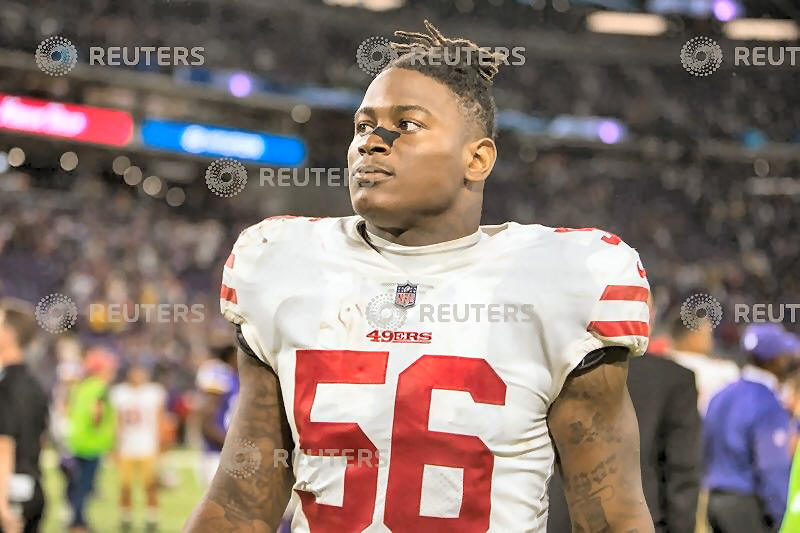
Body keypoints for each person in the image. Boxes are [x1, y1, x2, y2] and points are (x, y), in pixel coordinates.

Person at [185, 20, 654, 532]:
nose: (372, 142)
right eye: (363, 126)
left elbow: (609, 514)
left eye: (406, 124)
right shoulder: (284, 263)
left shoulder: (565, 279)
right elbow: (241, 503)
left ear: (477, 158)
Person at [548, 297, 702, 533]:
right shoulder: (675, 380)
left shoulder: (556, 370)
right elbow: (681, 473)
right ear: (648, 315)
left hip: (559, 521)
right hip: (638, 522)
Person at [704, 324, 800, 532]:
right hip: (747, 504)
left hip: (715, 500)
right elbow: (771, 467)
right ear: (775, 360)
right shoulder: (767, 402)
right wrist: (781, 517)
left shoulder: (721, 394)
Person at [0, 300, 48, 533]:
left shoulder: (6, 386)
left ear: (9, 335)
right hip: (31, 487)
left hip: (8, 494)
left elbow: (4, 445)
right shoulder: (35, 385)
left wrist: (2, 507)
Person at [64, 348, 117, 533]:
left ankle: (76, 519)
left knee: (77, 484)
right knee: (85, 486)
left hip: (77, 441)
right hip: (92, 444)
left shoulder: (81, 386)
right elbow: (96, 412)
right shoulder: (99, 387)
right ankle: (77, 523)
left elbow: (69, 409)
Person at [110, 363, 167, 533]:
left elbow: (160, 418)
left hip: (147, 444)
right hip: (126, 445)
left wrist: (162, 442)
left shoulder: (154, 392)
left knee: (150, 484)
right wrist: (114, 444)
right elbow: (116, 420)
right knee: (125, 484)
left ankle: (152, 516)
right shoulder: (119, 393)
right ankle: (126, 516)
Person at [668, 311, 739, 416]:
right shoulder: (720, 371)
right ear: (692, 337)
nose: (711, 340)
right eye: (707, 334)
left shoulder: (660, 365)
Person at [195, 344, 238, 485]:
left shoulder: (238, 380)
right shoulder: (221, 377)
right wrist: (229, 443)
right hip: (216, 454)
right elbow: (206, 422)